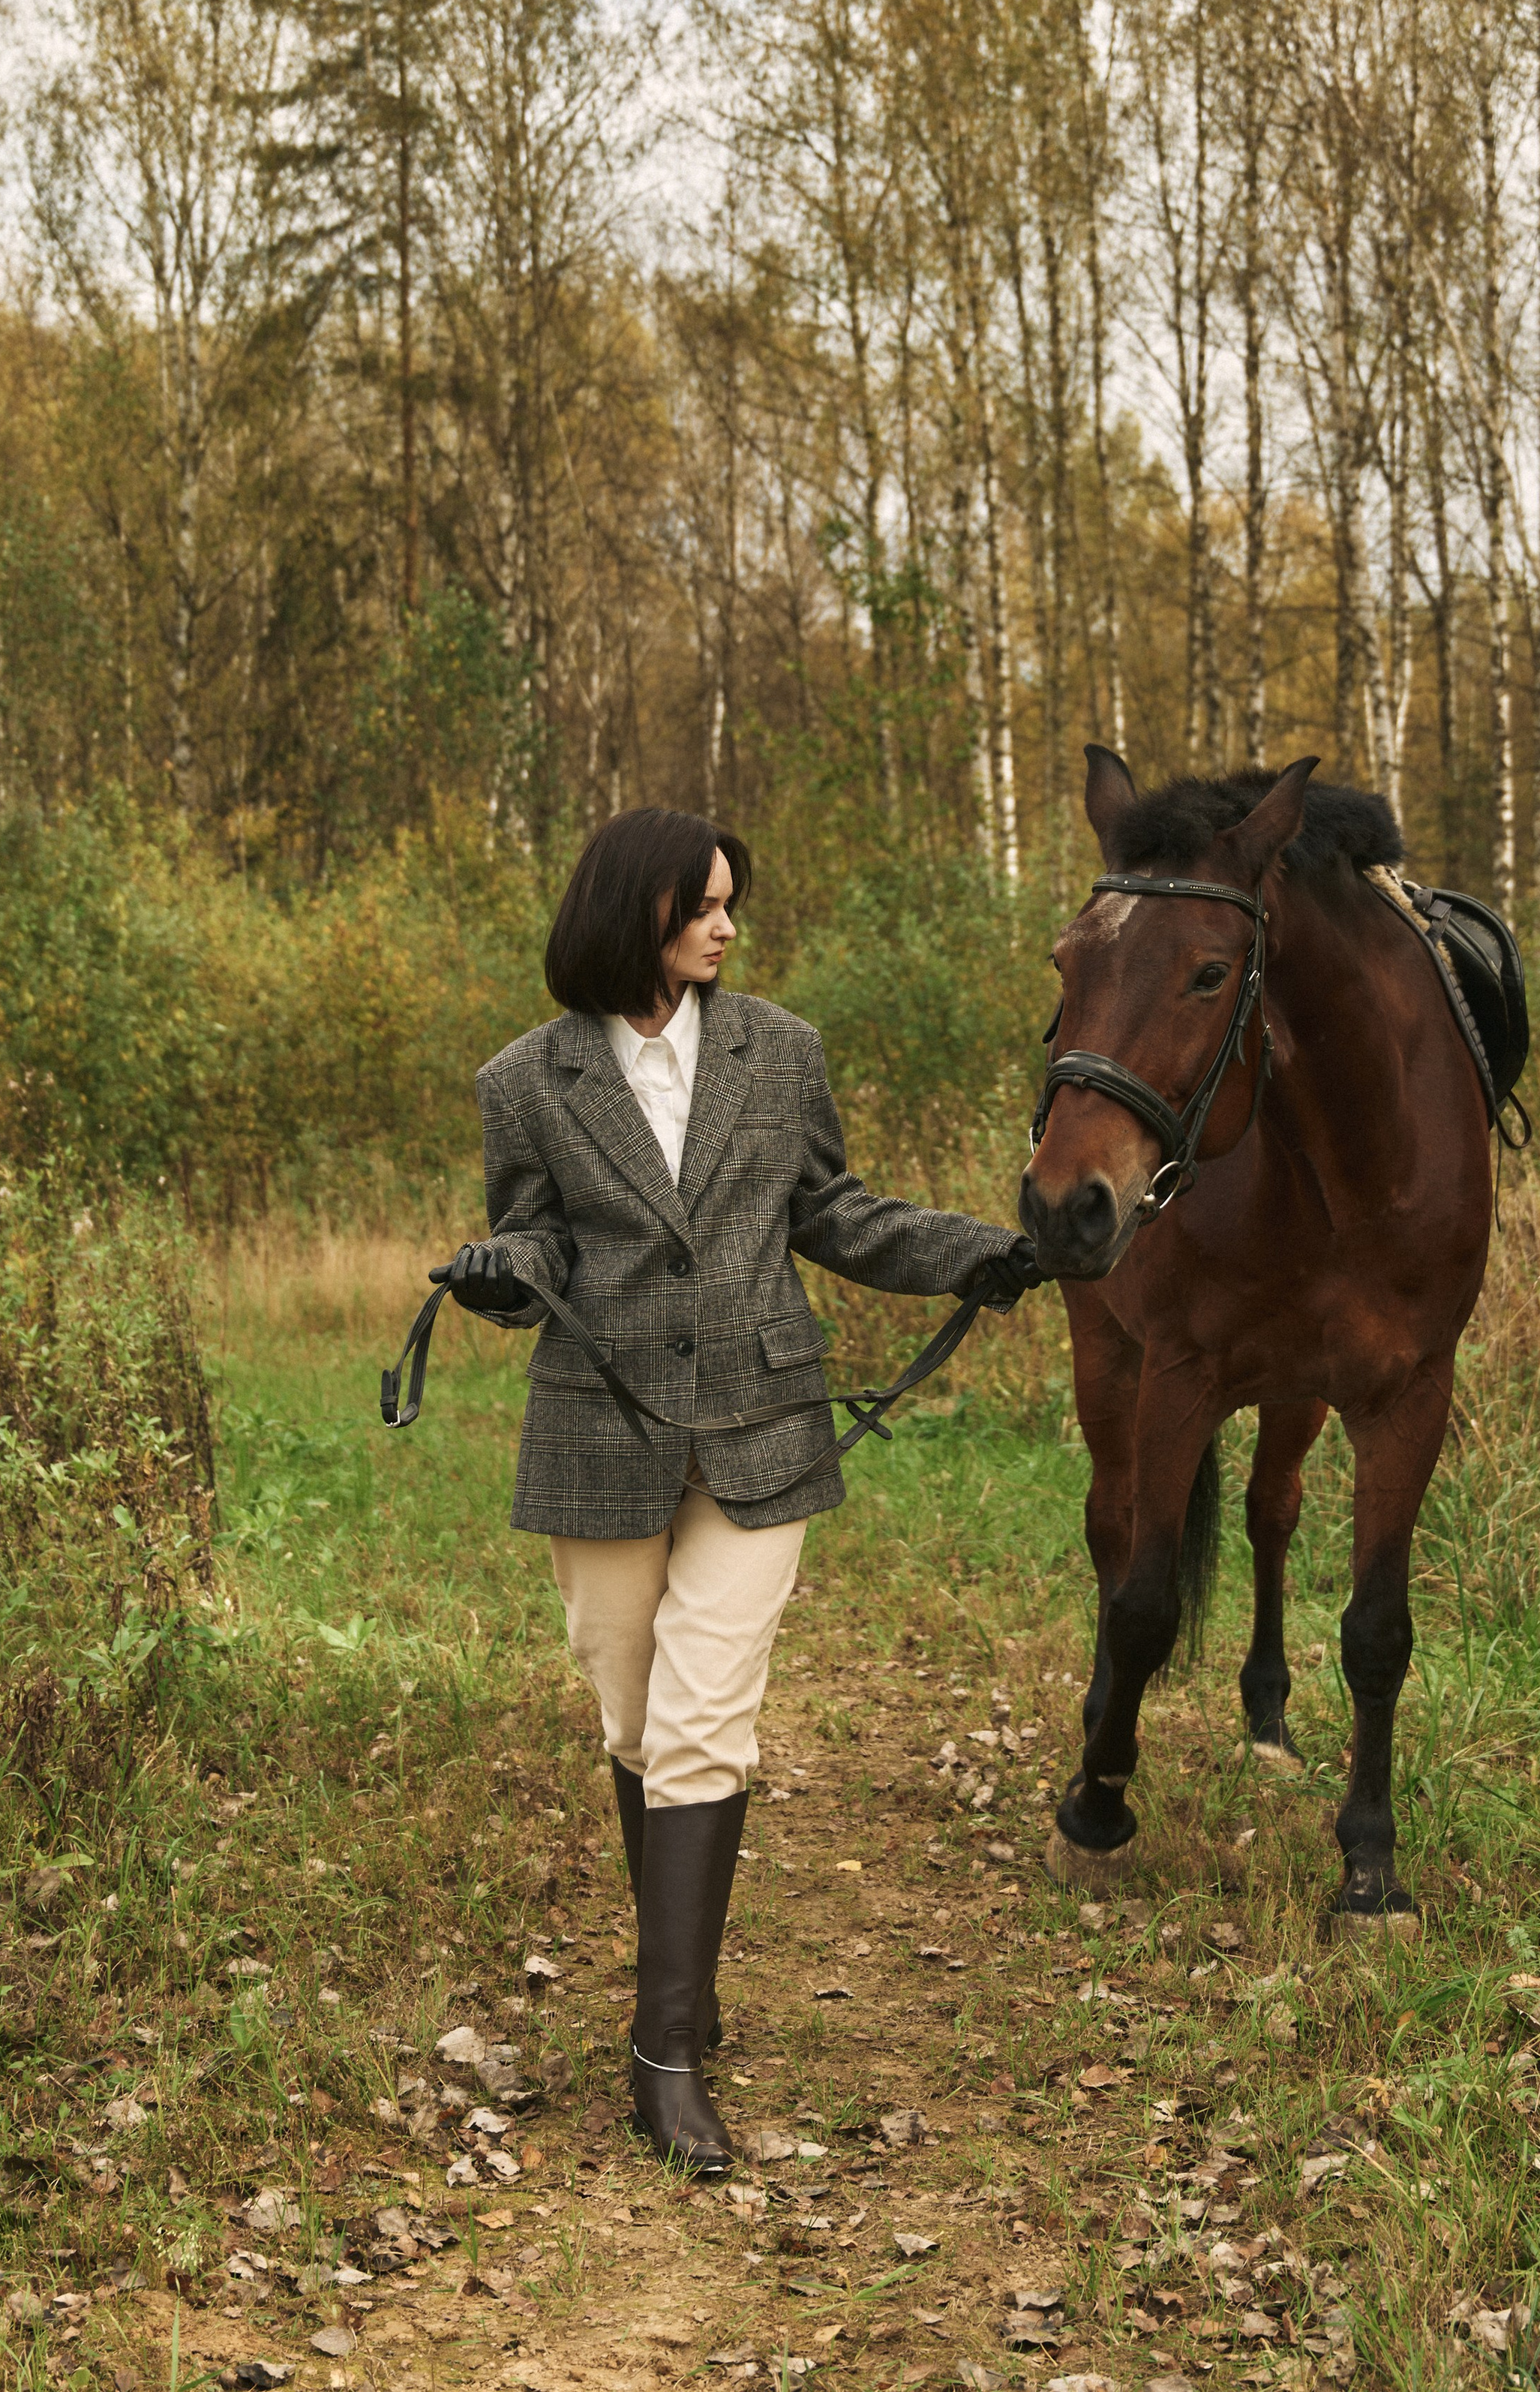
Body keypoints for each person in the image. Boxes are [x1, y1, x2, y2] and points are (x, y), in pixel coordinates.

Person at [436, 807, 1037, 2177]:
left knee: (707, 1718)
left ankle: (666, 2055)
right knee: (635, 1716)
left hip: (762, 1428)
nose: (728, 925)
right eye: (705, 905)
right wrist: (495, 1275)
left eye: (730, 905)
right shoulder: (525, 1081)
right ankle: (685, 1986)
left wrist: (976, 1254)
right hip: (604, 1433)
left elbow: (836, 1215)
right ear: (633, 913)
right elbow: (535, 1240)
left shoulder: (781, 1052)